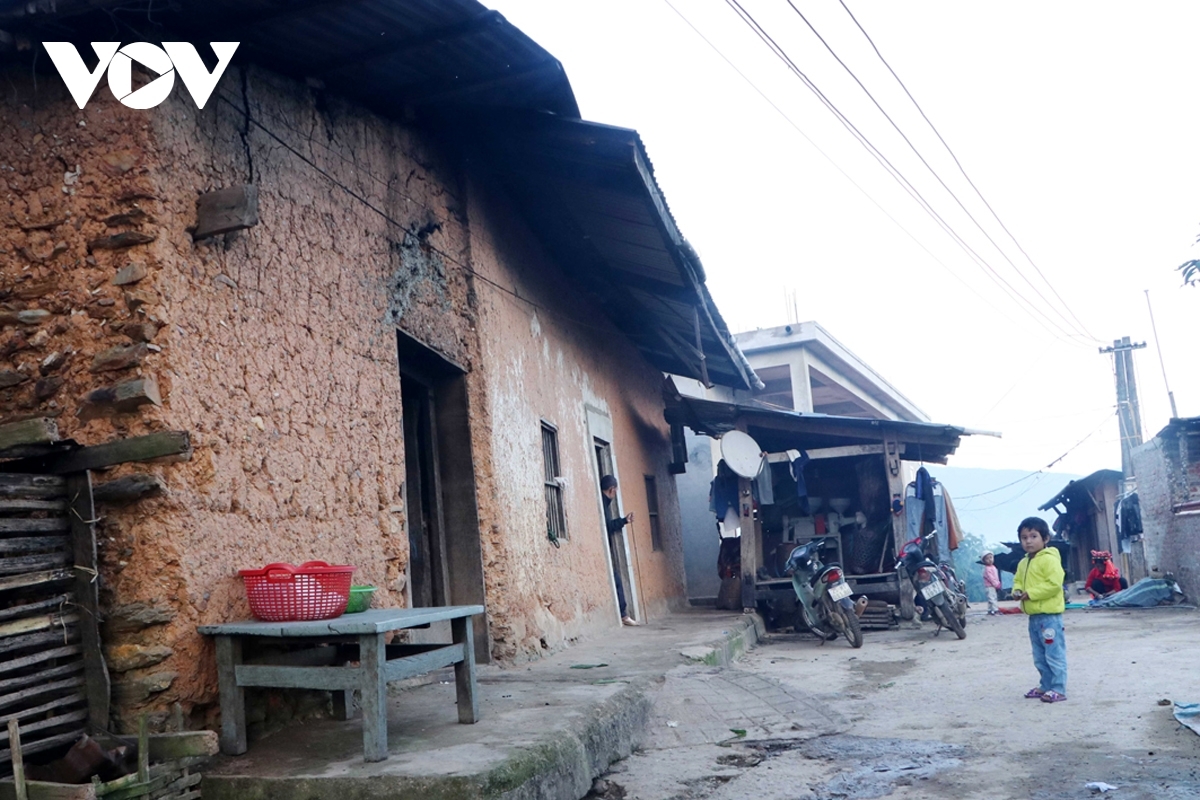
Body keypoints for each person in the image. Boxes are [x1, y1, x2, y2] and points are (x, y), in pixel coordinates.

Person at [1011, 516, 1067, 703]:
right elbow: (1018, 580)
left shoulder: (1049, 560)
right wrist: (1017, 591)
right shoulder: (1023, 563)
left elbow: (1054, 584)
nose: (1028, 541)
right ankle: (1045, 686)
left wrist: (1031, 593)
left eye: (1033, 536)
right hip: (1034, 617)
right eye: (1024, 537)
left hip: (1050, 617)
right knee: (1039, 656)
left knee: (1054, 654)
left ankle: (1058, 688)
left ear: (1045, 538)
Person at [600, 475, 638, 626]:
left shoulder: (604, 502)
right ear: (612, 490)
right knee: (615, 580)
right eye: (615, 491)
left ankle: (623, 614)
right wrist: (623, 521)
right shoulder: (602, 503)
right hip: (602, 550)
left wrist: (624, 520)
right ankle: (623, 614)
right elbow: (607, 526)